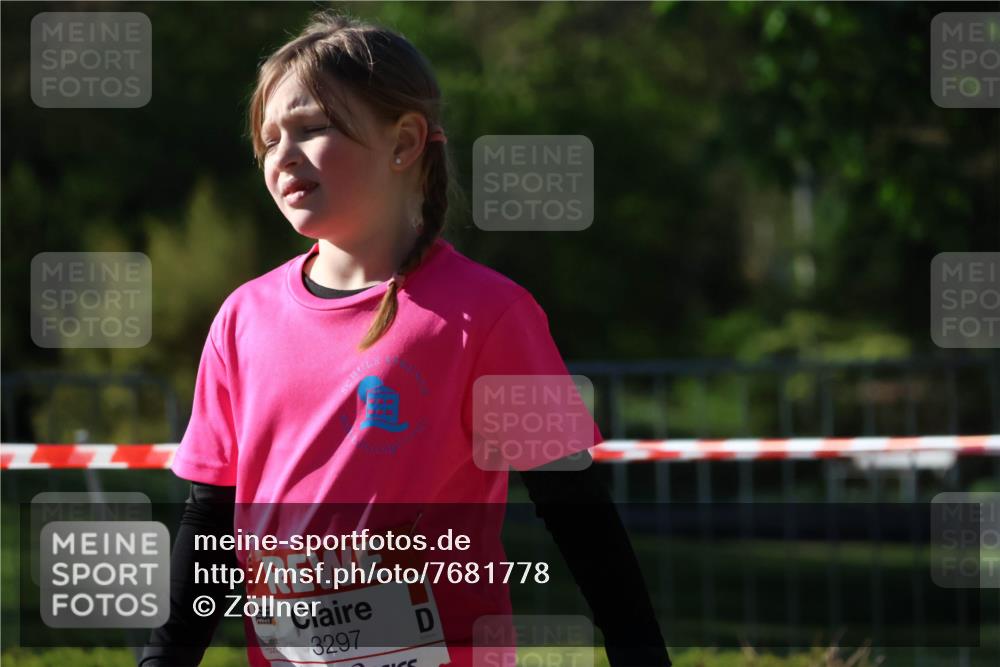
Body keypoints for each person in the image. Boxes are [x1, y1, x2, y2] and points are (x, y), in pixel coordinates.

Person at [140, 10, 670, 667]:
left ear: (405, 141)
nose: (284, 154)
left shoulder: (489, 314)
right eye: (269, 139)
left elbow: (576, 509)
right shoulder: (242, 318)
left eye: (312, 127)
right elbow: (210, 522)